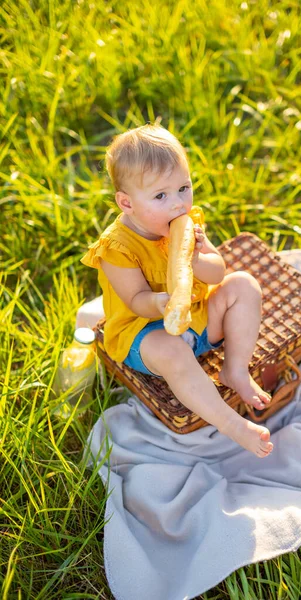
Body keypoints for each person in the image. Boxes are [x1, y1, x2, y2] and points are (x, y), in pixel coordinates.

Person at [82, 124, 274, 458]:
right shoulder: (117, 247)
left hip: (197, 320)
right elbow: (136, 301)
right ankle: (231, 423)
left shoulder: (189, 221)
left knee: (244, 284)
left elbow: (218, 270)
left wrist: (198, 255)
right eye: (161, 196)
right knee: (171, 349)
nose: (178, 204)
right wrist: (163, 302)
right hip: (144, 334)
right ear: (126, 203)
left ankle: (235, 369)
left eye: (184, 188)